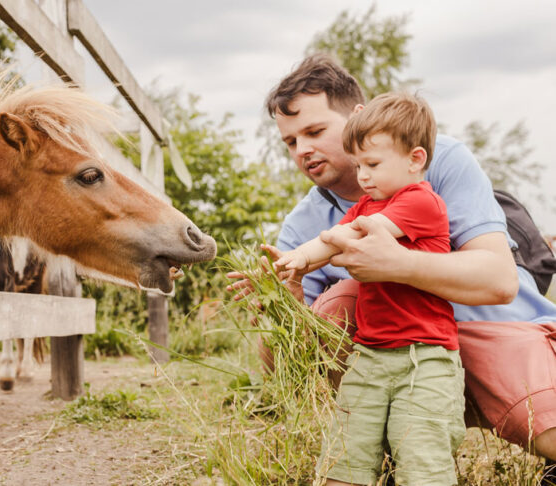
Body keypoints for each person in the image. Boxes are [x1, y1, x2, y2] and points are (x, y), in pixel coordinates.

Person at [227, 53, 556, 463]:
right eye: (291, 141)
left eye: (315, 131)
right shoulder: (302, 225)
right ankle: (386, 453)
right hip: (395, 358)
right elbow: (289, 375)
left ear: (358, 118)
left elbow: (499, 282)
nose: (303, 150)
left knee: (551, 438)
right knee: (339, 304)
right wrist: (283, 308)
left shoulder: (438, 160)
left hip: (497, 331)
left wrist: (398, 266)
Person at [267, 91, 464, 485]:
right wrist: (295, 261)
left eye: (372, 164)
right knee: (346, 454)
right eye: (358, 166)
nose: (363, 177)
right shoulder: (366, 206)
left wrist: (315, 253)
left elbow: (350, 236)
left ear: (416, 159)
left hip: (423, 357)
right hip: (369, 354)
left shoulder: (421, 202)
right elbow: (334, 235)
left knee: (421, 457)